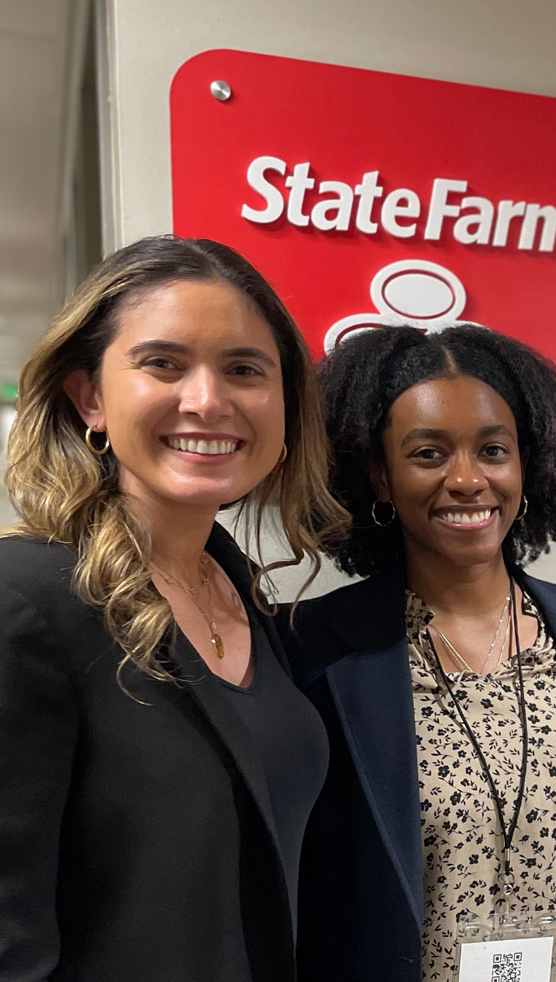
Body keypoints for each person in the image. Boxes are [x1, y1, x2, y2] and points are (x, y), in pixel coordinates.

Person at [0, 235, 348, 982]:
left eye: (245, 370)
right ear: (89, 395)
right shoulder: (25, 601)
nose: (207, 399)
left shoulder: (242, 592)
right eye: (163, 363)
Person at [291, 324, 556, 982]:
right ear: (380, 477)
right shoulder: (320, 646)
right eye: (427, 453)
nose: (467, 479)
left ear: (526, 464)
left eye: (493, 450)